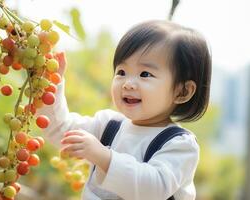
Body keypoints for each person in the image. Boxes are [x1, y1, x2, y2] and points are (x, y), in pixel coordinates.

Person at [37, 20, 212, 200]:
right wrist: (51, 85)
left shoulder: (179, 145)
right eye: (121, 72)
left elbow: (154, 189)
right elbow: (60, 130)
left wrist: (104, 157)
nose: (128, 83)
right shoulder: (108, 125)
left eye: (145, 74)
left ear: (182, 91)